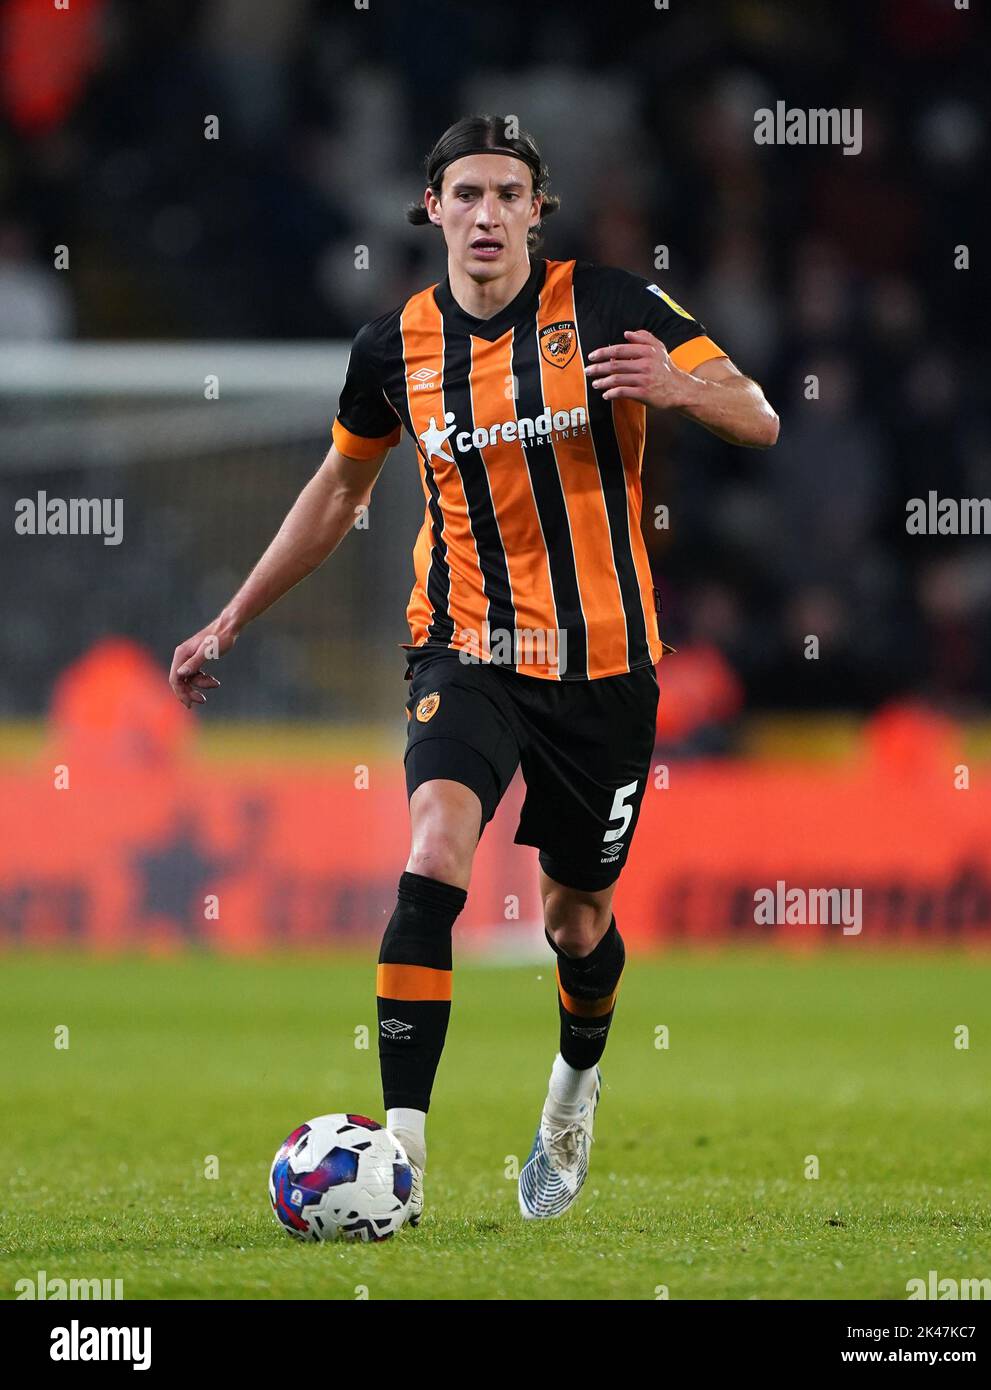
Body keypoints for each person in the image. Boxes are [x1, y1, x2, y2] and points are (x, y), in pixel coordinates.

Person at [169, 114, 779, 1224]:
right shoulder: (391, 349)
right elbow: (339, 494)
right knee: (435, 847)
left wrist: (682, 390)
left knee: (575, 923)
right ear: (432, 209)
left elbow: (763, 415)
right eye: (467, 194)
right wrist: (231, 617)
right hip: (468, 648)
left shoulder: (612, 307)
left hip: (605, 669)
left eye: (509, 193)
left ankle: (572, 1091)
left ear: (538, 210)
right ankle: (400, 1155)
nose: (488, 213)